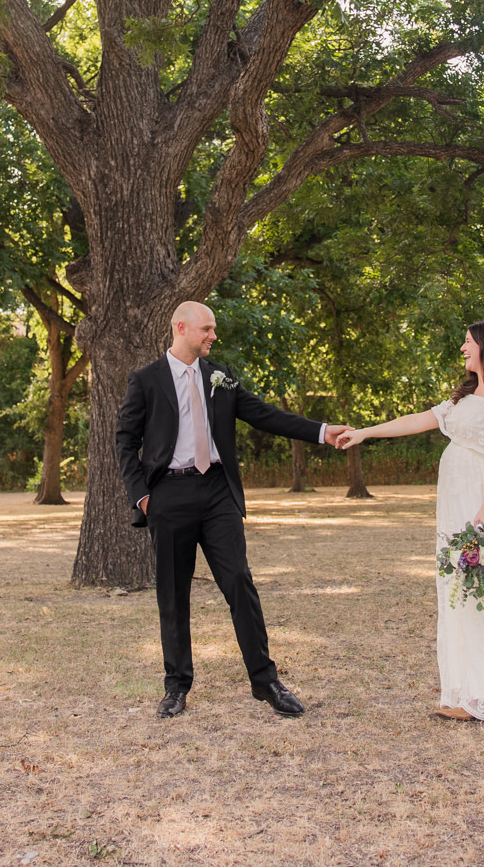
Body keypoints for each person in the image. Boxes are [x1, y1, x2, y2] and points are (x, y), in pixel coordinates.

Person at [116, 300, 347, 719]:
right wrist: (143, 497)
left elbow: (263, 415)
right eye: (206, 329)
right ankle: (176, 686)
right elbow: (125, 442)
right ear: (181, 327)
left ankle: (266, 682)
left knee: (240, 581)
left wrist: (322, 431)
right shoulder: (146, 380)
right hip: (168, 495)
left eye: (214, 329)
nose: (213, 336)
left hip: (218, 492)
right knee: (173, 594)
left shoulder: (220, 378)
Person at [338, 320, 484, 721]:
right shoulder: (466, 395)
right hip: (456, 501)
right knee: (459, 584)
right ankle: (468, 687)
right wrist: (365, 433)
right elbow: (417, 420)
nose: (463, 348)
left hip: (482, 498)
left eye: (468, 341)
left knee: (481, 586)